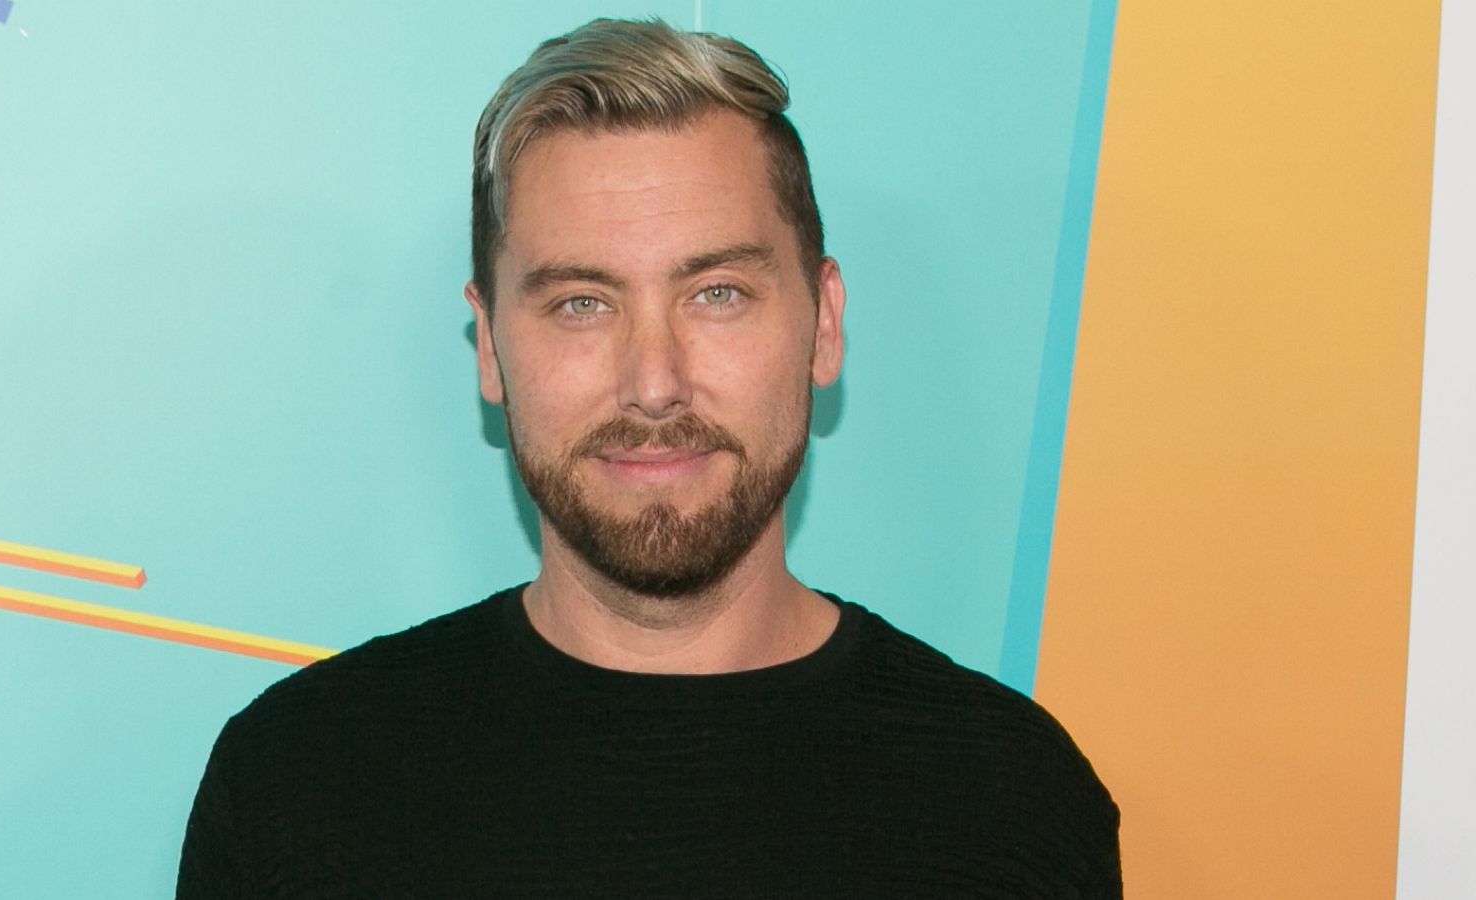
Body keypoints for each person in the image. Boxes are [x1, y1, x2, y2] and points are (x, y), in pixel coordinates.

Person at [177, 17, 1120, 898]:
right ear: (491, 349)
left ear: (823, 323)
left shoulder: (1013, 805)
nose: (655, 383)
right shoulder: (296, 785)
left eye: (717, 293)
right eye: (581, 303)